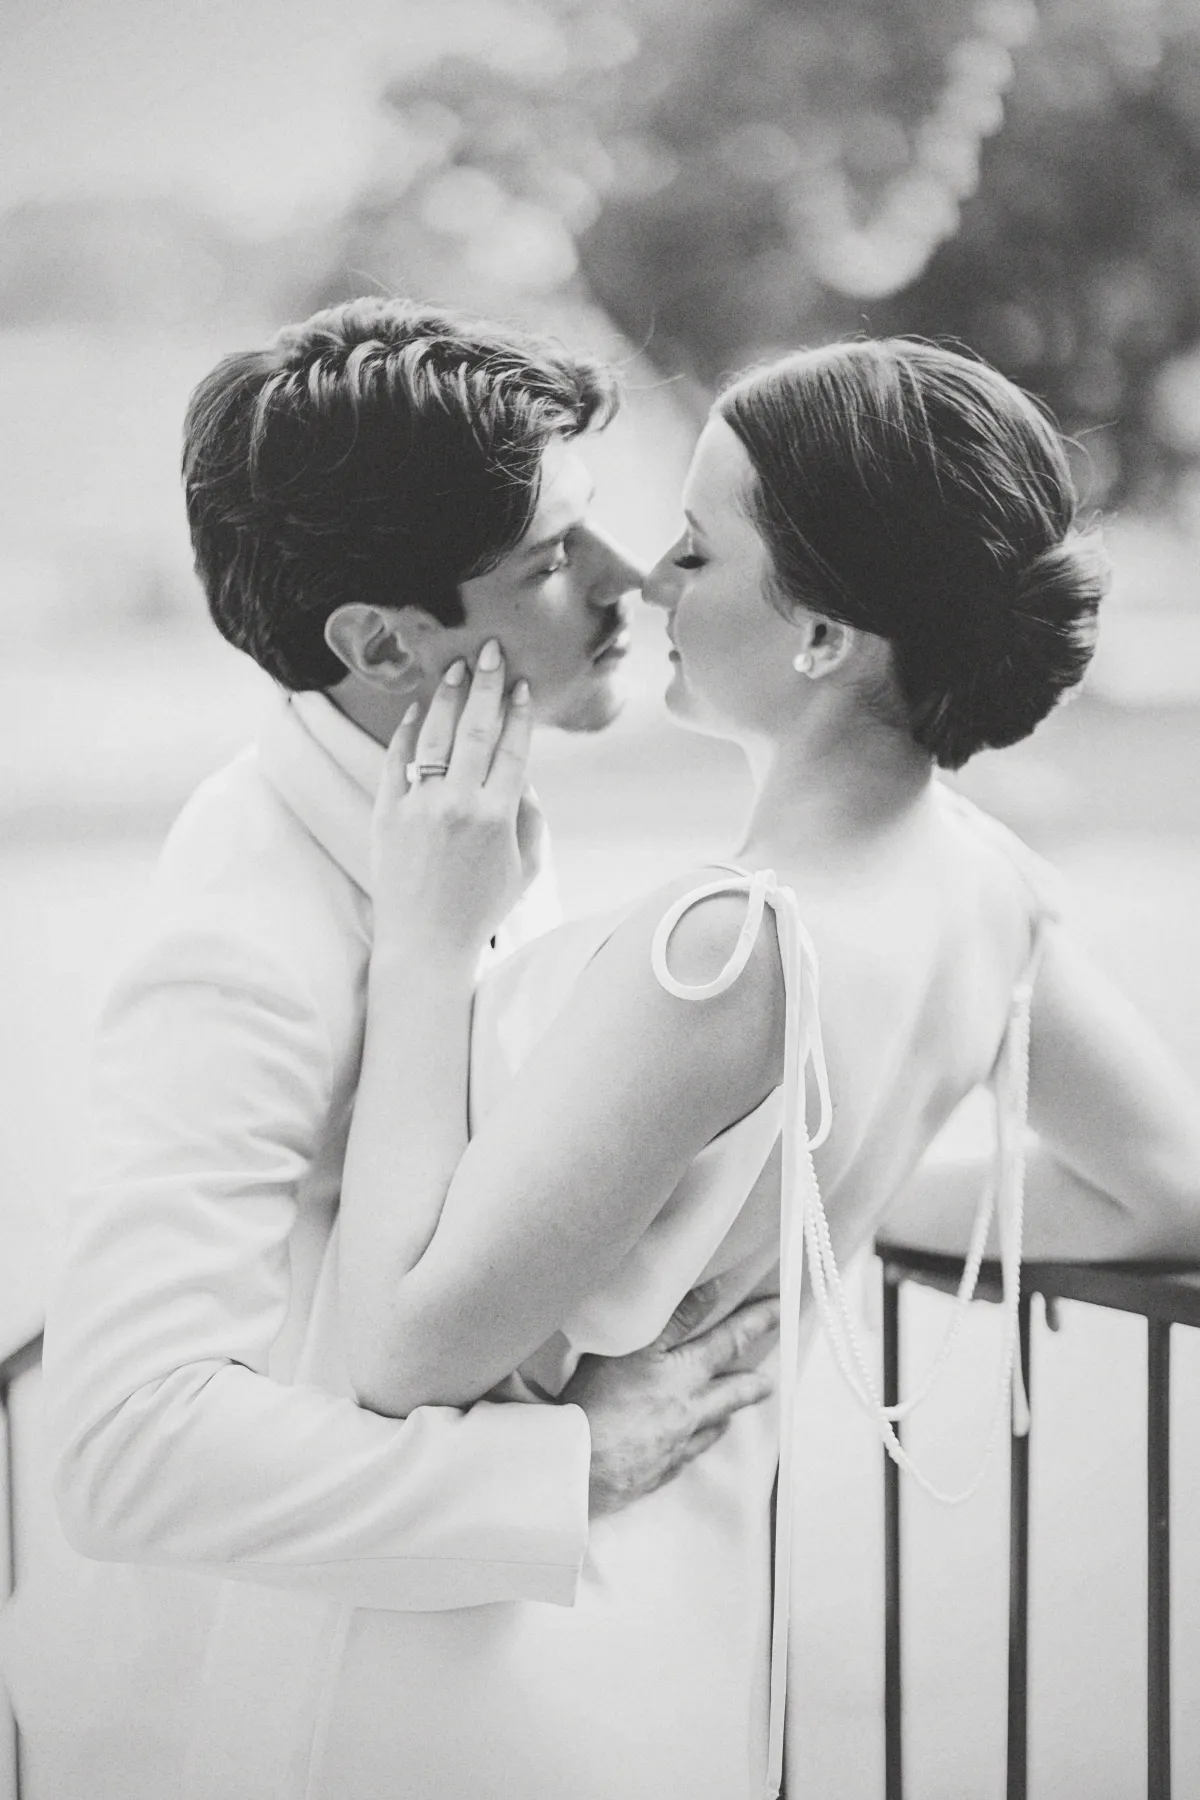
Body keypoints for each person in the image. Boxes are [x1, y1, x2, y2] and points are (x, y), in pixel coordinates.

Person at [239, 336, 1197, 1800]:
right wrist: (828, 1215)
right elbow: (1166, 1191)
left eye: (696, 548)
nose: (649, 584)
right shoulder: (980, 883)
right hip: (689, 1618)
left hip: (499, 1667)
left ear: (824, 635)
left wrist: (429, 946)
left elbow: (409, 1354)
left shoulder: (721, 950)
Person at [38, 300, 781, 1798]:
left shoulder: (456, 813)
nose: (632, 578)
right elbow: (123, 1446)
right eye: (550, 560)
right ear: (382, 642)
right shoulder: (247, 926)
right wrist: (570, 1469)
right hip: (299, 1737)